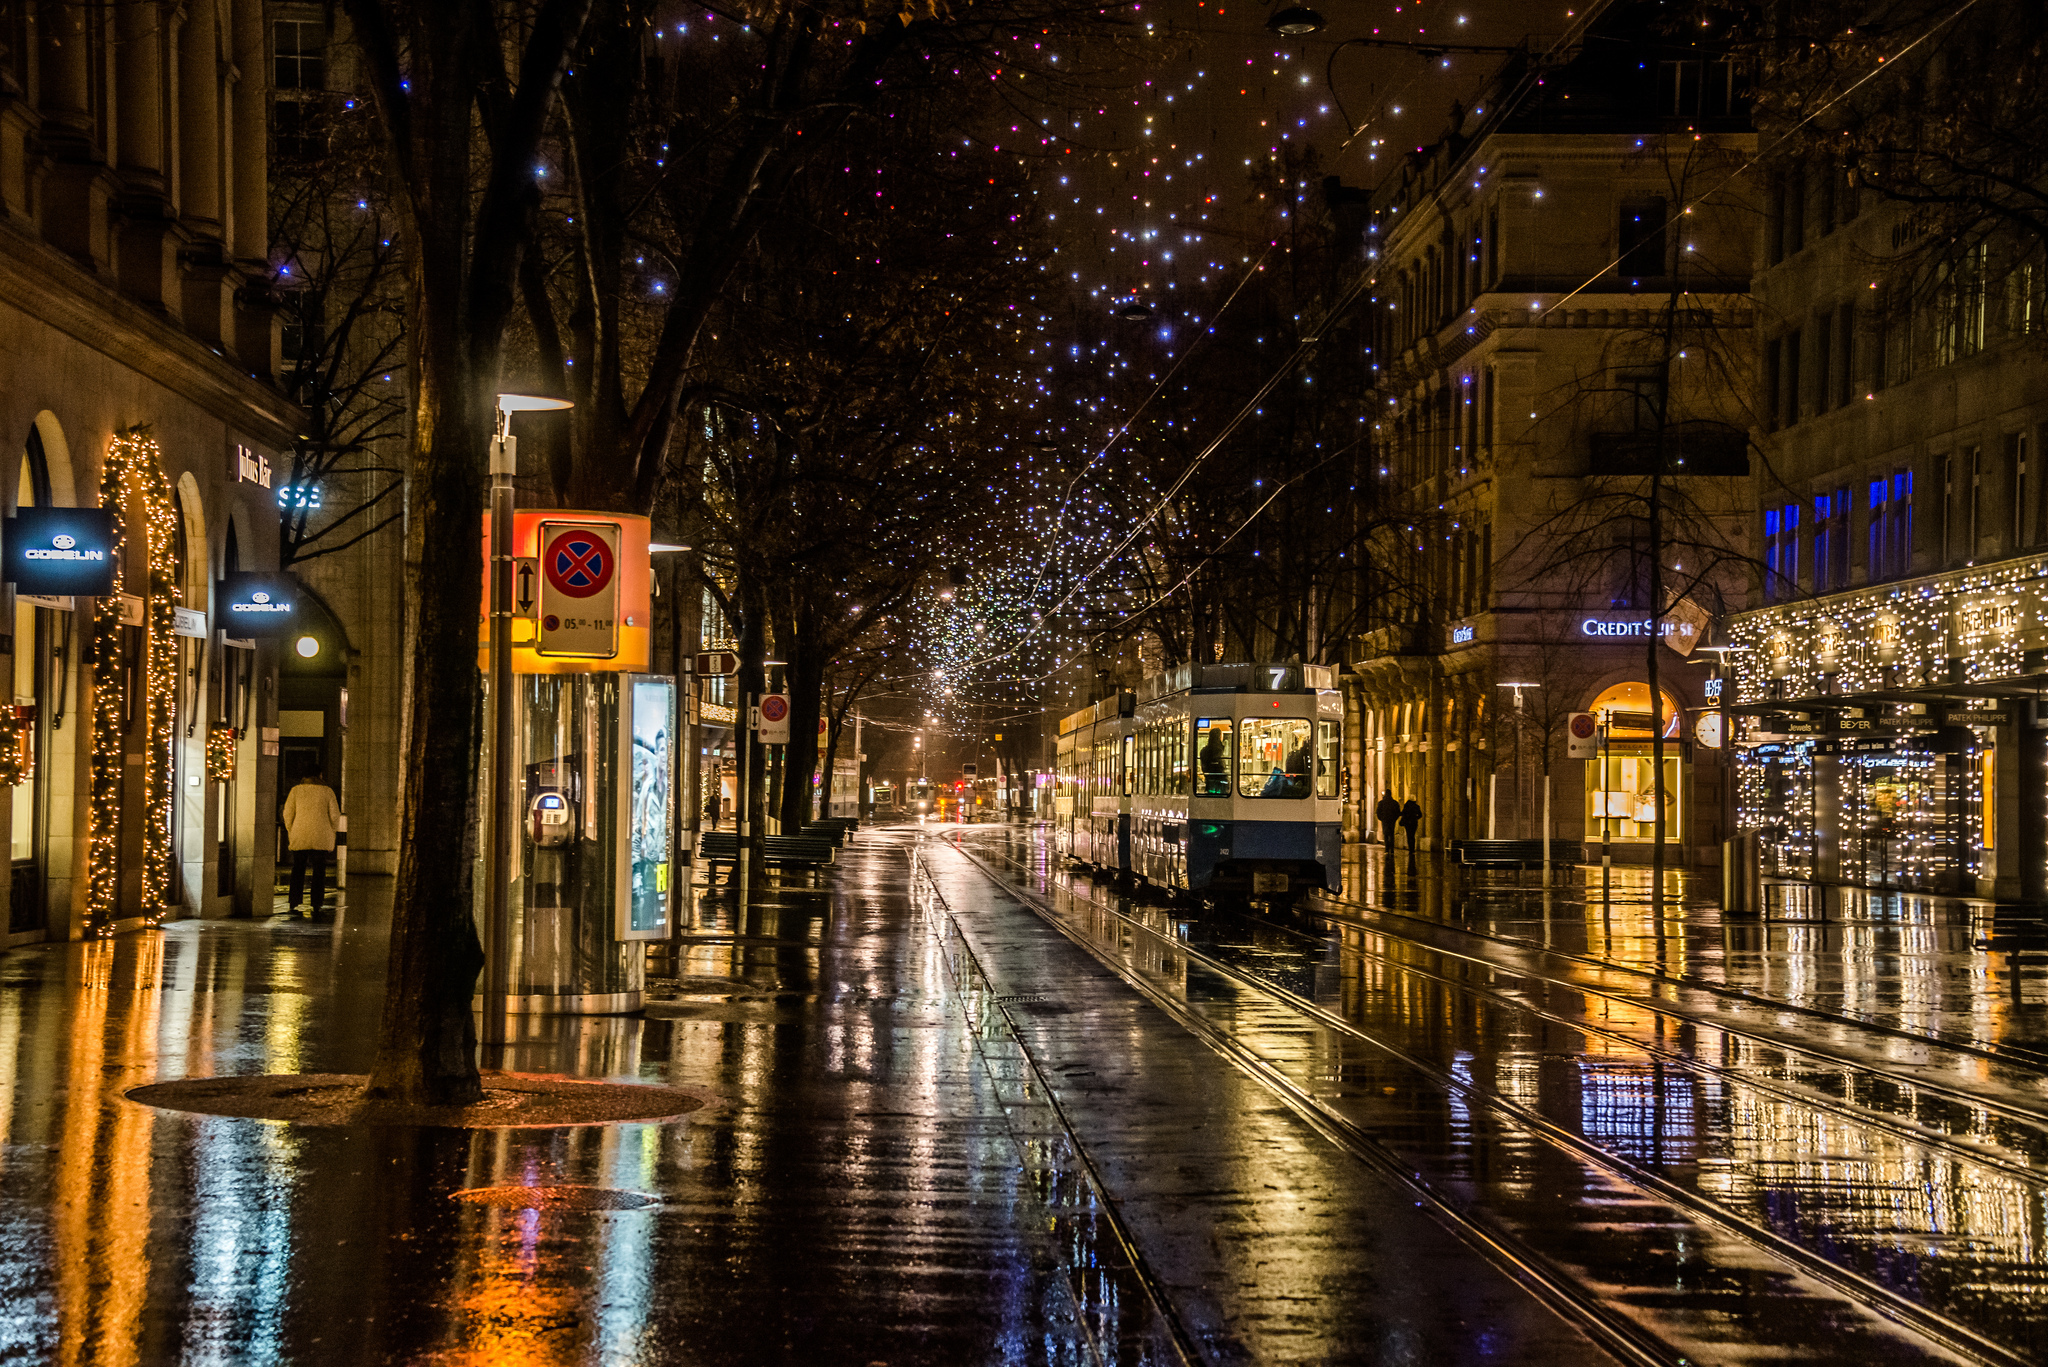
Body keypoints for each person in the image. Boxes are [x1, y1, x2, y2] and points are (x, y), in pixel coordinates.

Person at [281, 766, 343, 919]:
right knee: (319, 871)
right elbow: (335, 815)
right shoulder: (327, 791)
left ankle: (294, 902)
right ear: (320, 775)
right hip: (321, 836)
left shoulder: (295, 791)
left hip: (300, 834)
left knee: (298, 869)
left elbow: (287, 813)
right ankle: (317, 903)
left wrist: (292, 829)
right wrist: (331, 830)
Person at [1198, 726, 1227, 796]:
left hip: (1208, 780)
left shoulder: (1203, 751)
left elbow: (1204, 767)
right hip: (1219, 781)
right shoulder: (1219, 751)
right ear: (1219, 737)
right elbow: (1221, 766)